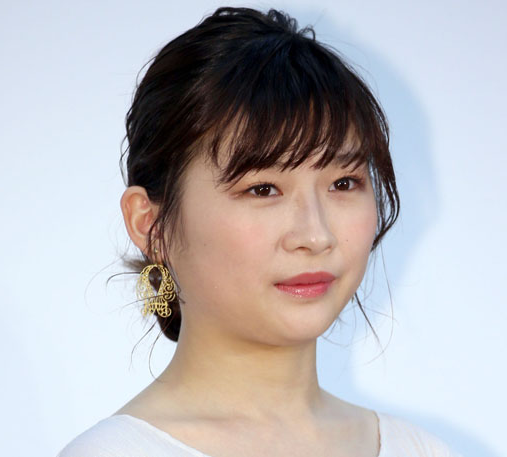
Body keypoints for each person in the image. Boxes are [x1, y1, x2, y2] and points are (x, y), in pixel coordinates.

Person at [58, 6, 462, 457]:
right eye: (263, 189)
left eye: (343, 183)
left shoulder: (421, 450)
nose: (316, 235)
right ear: (150, 224)